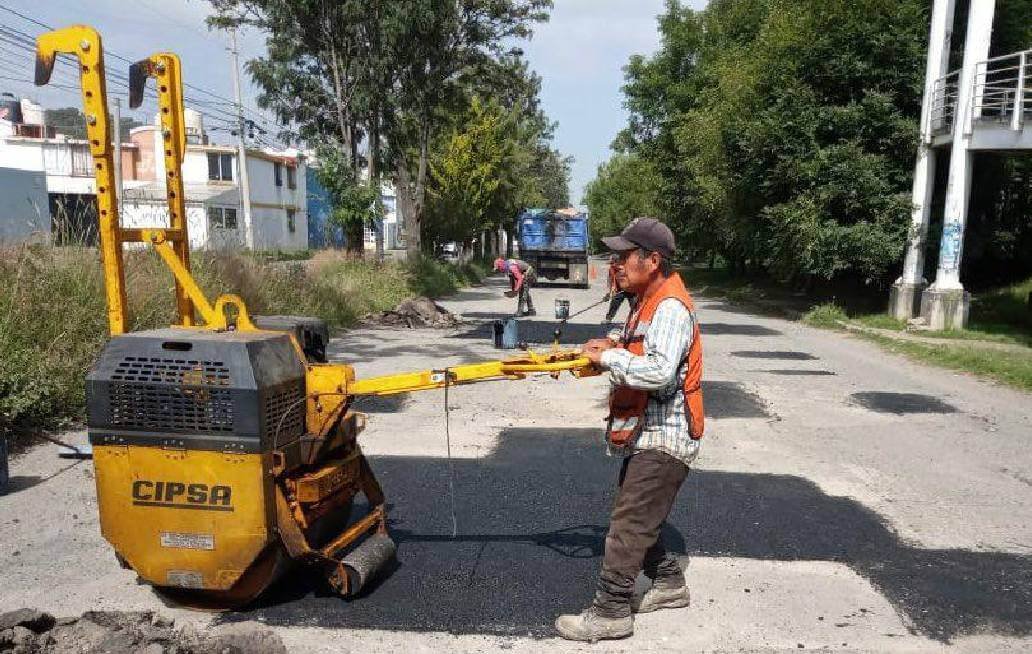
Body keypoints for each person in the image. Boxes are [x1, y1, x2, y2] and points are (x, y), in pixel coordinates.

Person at [555, 217, 704, 643]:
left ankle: (611, 613)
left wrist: (609, 359)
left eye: (624, 256)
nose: (616, 264)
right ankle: (670, 584)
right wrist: (613, 346)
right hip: (648, 432)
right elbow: (641, 348)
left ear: (652, 260)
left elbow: (658, 372)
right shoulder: (645, 300)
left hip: (667, 436)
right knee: (636, 513)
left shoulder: (670, 307)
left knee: (628, 523)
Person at [604, 254, 636, 323]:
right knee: (614, 303)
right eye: (610, 263)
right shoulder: (611, 269)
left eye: (612, 263)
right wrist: (608, 293)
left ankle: (636, 319)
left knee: (634, 305)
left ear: (617, 262)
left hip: (631, 290)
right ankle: (608, 318)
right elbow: (610, 281)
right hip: (620, 290)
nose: (611, 265)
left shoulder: (627, 268)